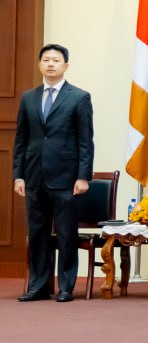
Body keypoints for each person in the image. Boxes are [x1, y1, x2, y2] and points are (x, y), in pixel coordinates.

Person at [12, 44, 94, 302]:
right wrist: (18, 175)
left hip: (66, 178)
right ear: (40, 65)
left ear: (65, 66)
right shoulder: (28, 98)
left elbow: (85, 141)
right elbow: (21, 140)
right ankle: (39, 286)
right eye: (46, 60)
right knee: (37, 233)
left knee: (67, 234)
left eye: (56, 60)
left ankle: (66, 286)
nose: (50, 64)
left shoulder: (79, 97)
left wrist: (83, 176)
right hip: (34, 176)